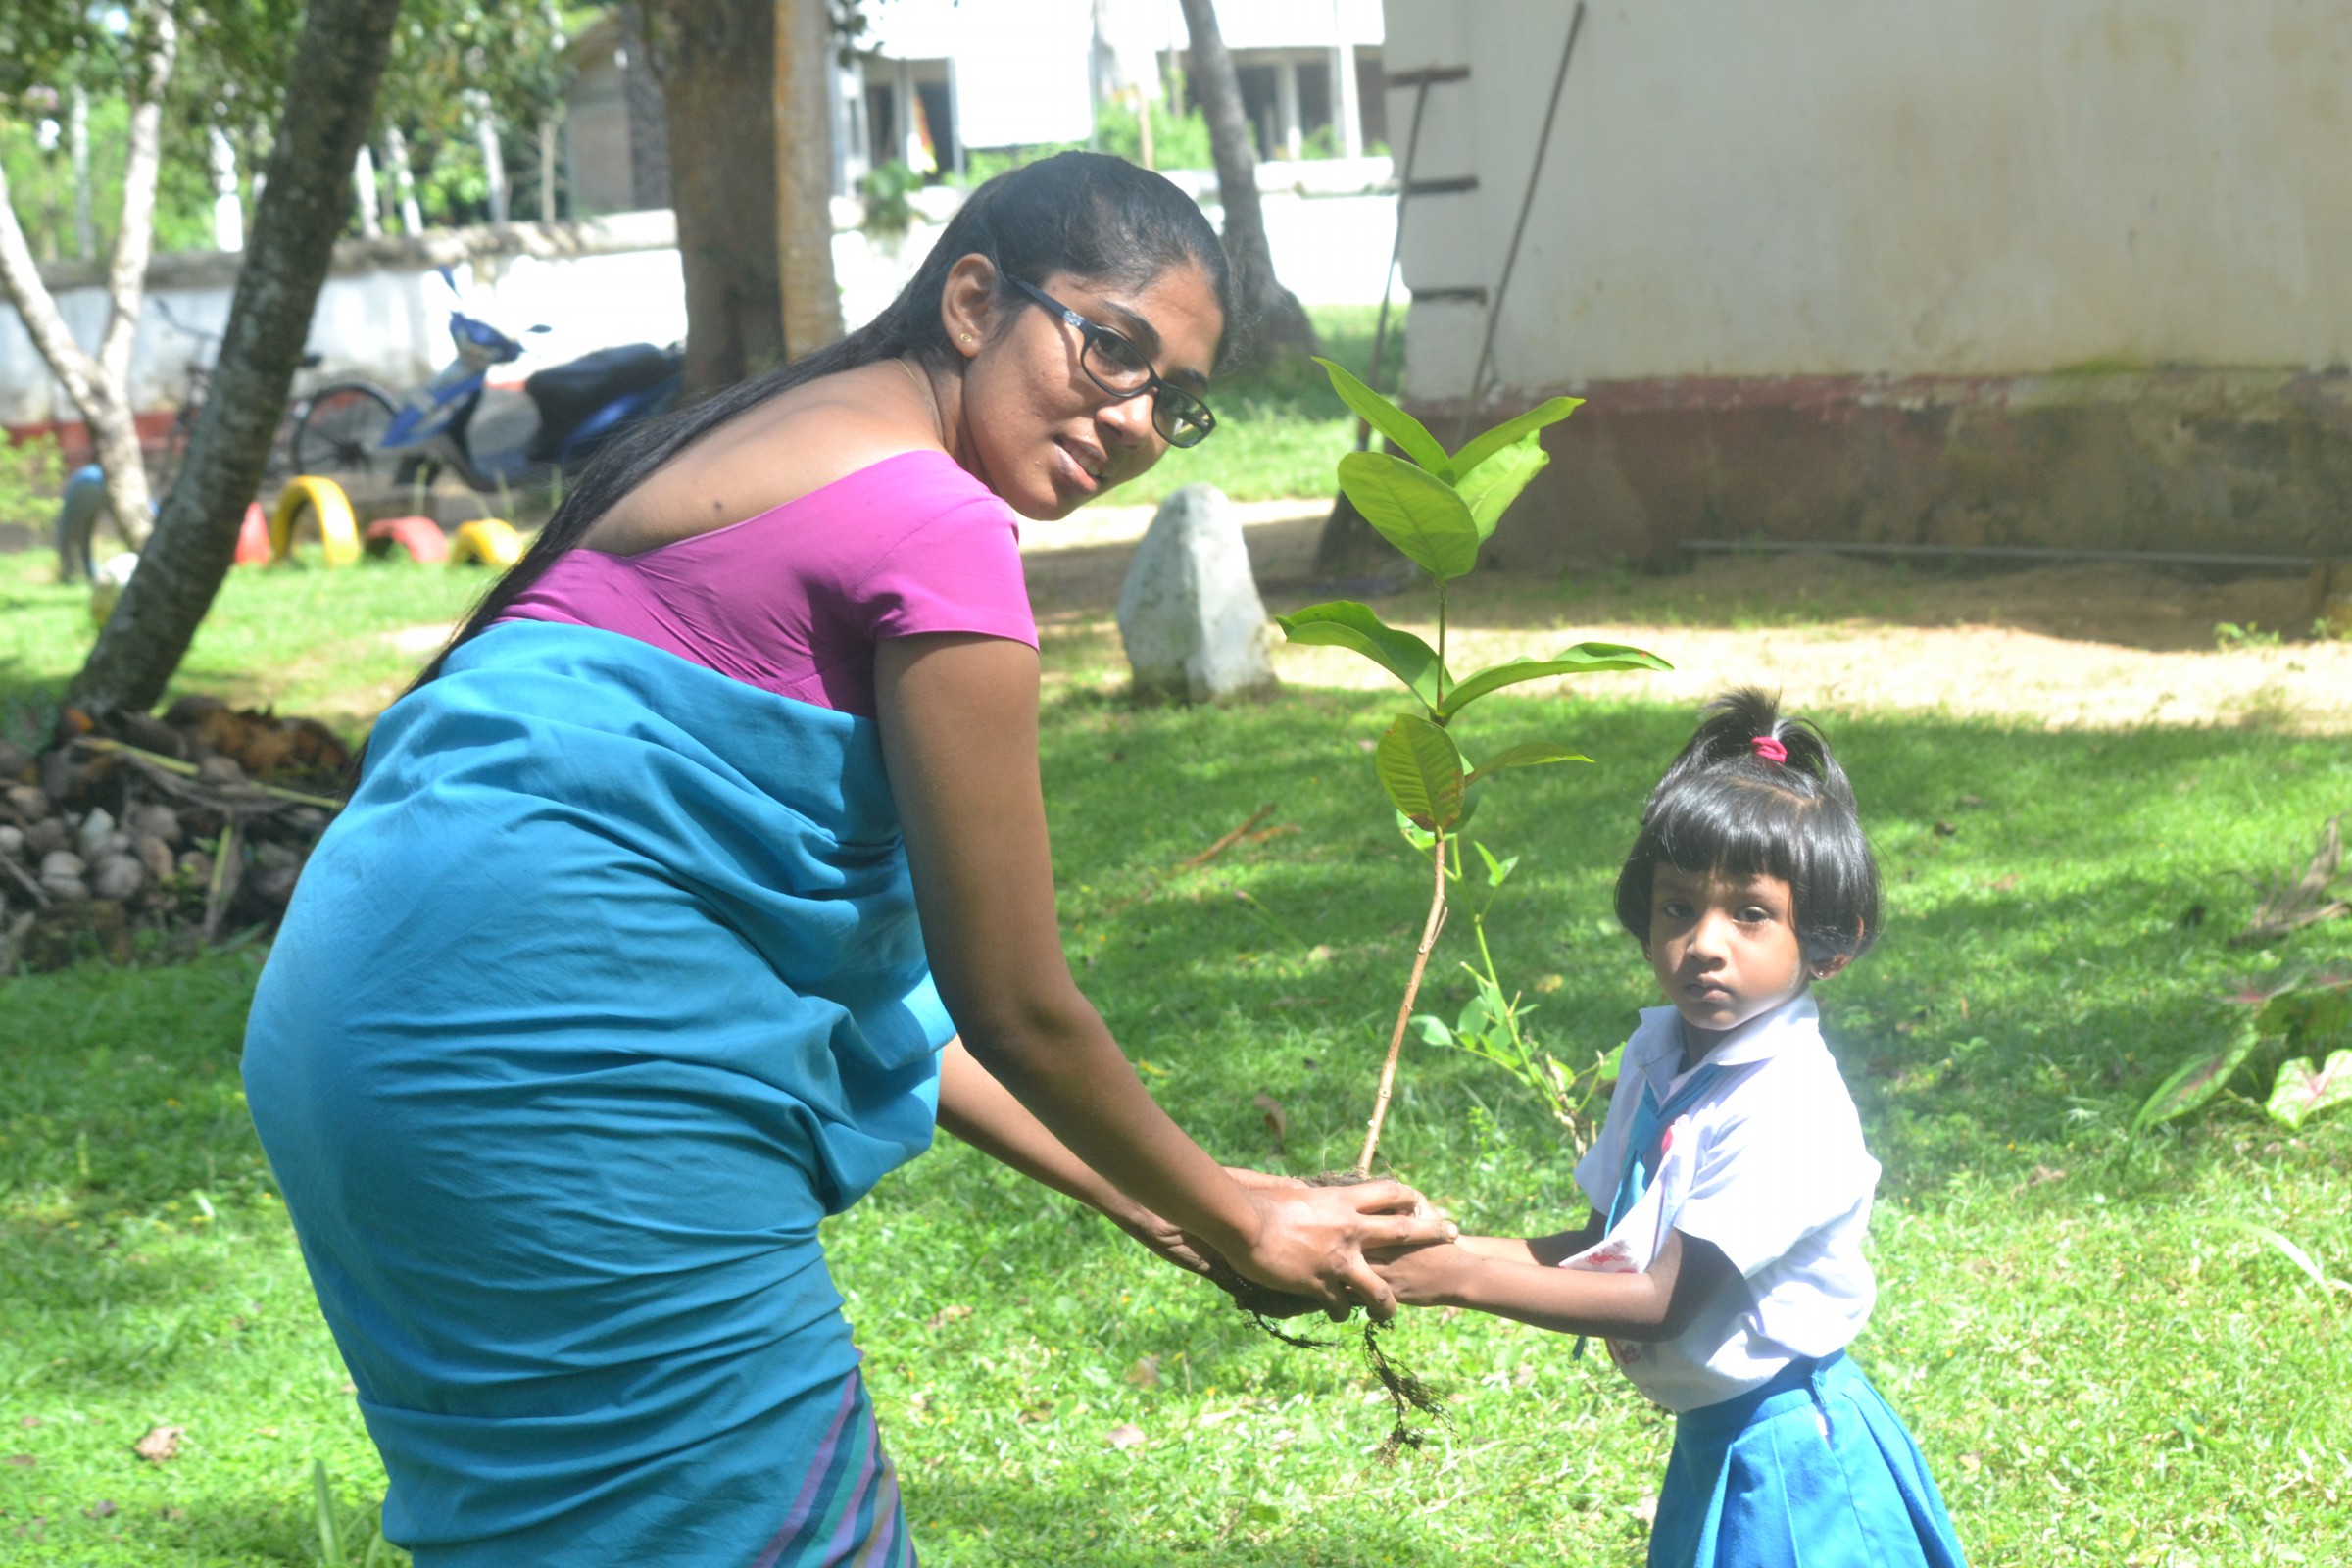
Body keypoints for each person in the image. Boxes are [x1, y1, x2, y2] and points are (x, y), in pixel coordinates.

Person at [242, 152, 1446, 1567]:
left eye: (1174, 399)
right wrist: (1239, 1212)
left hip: (355, 1036)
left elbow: (887, 998)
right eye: (1112, 349)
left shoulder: (755, 440)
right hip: (554, 1071)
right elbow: (1013, 998)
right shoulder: (937, 531)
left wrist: (1154, 1198)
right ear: (975, 299)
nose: (1130, 420)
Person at [1369, 690, 1968, 1567]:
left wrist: (1451, 1277)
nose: (1704, 942)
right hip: (1715, 1442)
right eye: (1678, 907)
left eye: (1751, 913)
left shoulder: (1789, 1105)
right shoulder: (1663, 1057)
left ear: (1833, 943)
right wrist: (1426, 1243)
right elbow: (1605, 1247)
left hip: (1792, 1456)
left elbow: (1656, 1299)